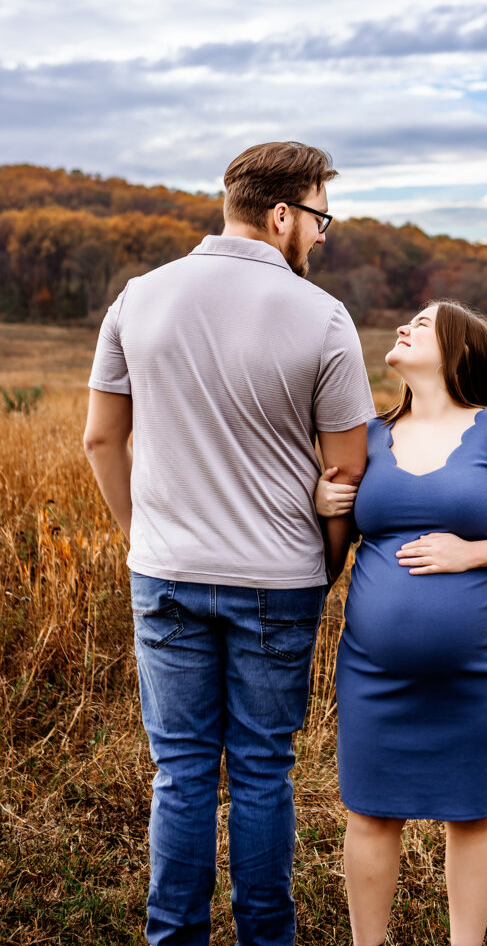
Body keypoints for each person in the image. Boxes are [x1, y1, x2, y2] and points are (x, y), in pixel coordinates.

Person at [83, 141, 376, 946]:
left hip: (167, 571)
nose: (322, 234)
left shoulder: (137, 297)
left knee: (178, 774)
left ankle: (173, 937)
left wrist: (143, 538)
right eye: (320, 217)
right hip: (279, 579)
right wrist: (325, 561)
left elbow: (101, 443)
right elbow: (346, 468)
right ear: (282, 214)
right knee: (260, 773)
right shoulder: (321, 316)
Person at [315, 300, 487, 946]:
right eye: (405, 318)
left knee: (474, 812)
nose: (402, 325)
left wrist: (473, 551)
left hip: (481, 669)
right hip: (373, 671)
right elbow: (329, 555)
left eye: (423, 323)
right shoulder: (366, 437)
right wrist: (322, 507)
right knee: (370, 813)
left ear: (459, 351)